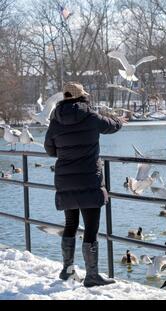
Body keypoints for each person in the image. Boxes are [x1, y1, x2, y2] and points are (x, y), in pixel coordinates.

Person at [44, 82, 126, 287]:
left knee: (70, 224)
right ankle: (91, 276)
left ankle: (68, 269)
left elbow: (50, 150)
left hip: (65, 179)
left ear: (64, 97)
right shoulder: (90, 116)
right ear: (83, 97)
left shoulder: (55, 120)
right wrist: (120, 119)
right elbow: (112, 126)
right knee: (91, 228)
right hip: (89, 178)